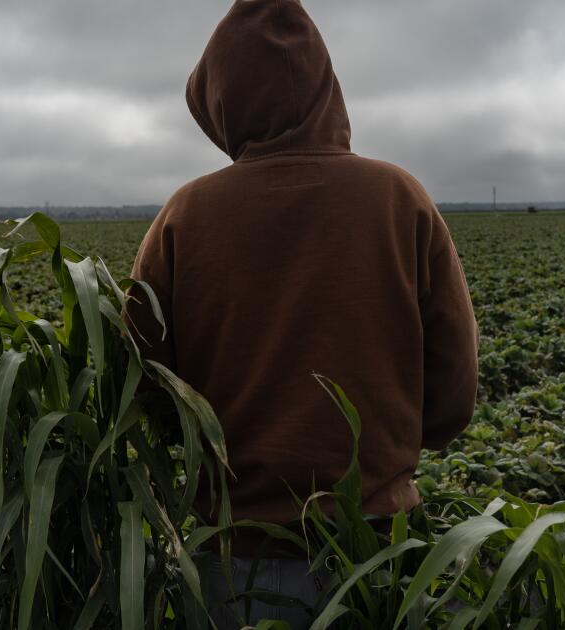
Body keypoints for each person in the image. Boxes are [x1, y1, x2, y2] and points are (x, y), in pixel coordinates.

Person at [126, 0, 479, 626]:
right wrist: (386, 460)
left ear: (220, 101)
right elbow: (454, 383)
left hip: (234, 560)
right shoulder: (400, 198)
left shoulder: (184, 215)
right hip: (377, 550)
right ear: (327, 89)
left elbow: (145, 384)